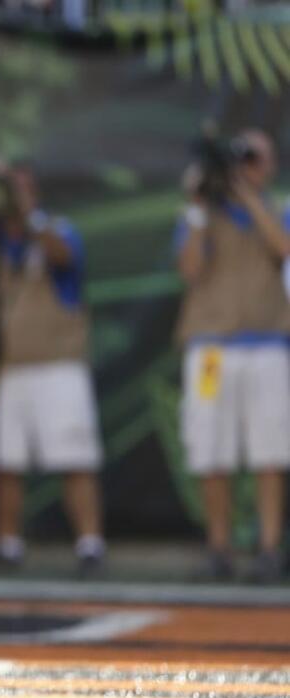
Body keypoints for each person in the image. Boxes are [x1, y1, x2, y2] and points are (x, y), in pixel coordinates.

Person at [0, 158, 105, 574]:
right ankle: (8, 544)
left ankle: (89, 543)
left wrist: (27, 210)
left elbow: (63, 256)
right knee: (4, 460)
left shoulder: (55, 229)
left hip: (58, 364)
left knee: (75, 457)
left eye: (19, 187)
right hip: (5, 368)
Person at [175, 129, 290, 583]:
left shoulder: (277, 211)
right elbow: (189, 269)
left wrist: (245, 192)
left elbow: (283, 250)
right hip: (211, 351)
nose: (244, 165)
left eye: (253, 157)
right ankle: (218, 549)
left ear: (271, 165)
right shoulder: (200, 215)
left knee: (270, 452)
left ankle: (268, 548)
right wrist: (200, 206)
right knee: (211, 453)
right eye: (239, 159)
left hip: (267, 346)